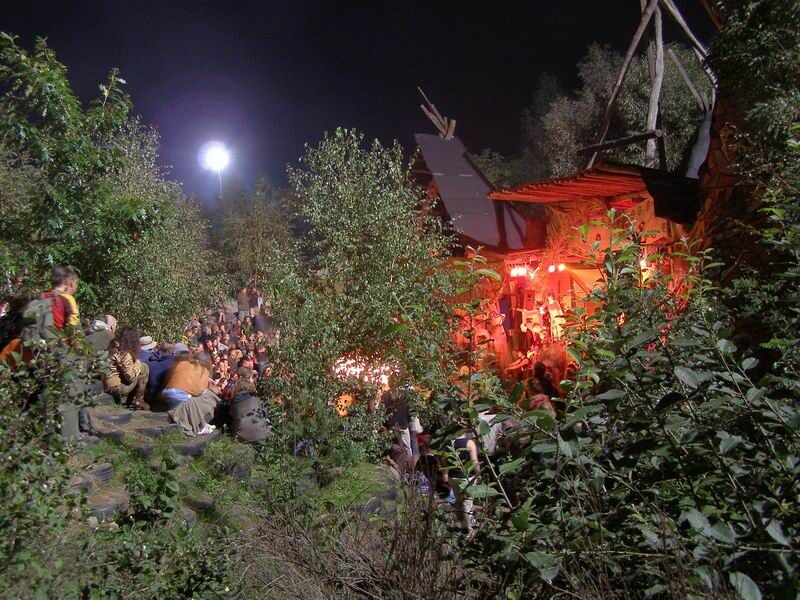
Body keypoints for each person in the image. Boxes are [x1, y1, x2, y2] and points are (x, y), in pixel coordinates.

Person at [442, 425, 480, 534]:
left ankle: (462, 524)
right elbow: (474, 461)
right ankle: (470, 529)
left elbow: (444, 461)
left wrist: (445, 474)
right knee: (467, 502)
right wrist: (479, 473)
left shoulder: (447, 443)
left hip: (453, 477)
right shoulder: (469, 443)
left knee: (458, 501)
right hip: (466, 477)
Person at [104, 327, 150, 410]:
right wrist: (138, 364)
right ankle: (139, 400)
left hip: (108, 384)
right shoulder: (124, 353)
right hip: (116, 387)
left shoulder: (112, 347)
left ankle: (131, 401)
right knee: (144, 367)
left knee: (140, 369)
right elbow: (130, 377)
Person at [229, 367, 272, 444]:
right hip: (262, 435)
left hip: (241, 437)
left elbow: (232, 415)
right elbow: (266, 414)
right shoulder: (256, 397)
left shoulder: (235, 400)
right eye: (251, 377)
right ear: (249, 379)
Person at [41, 266, 80, 330]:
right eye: (76, 283)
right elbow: (72, 327)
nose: (76, 287)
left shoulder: (43, 295)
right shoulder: (68, 299)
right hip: (56, 335)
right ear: (70, 282)